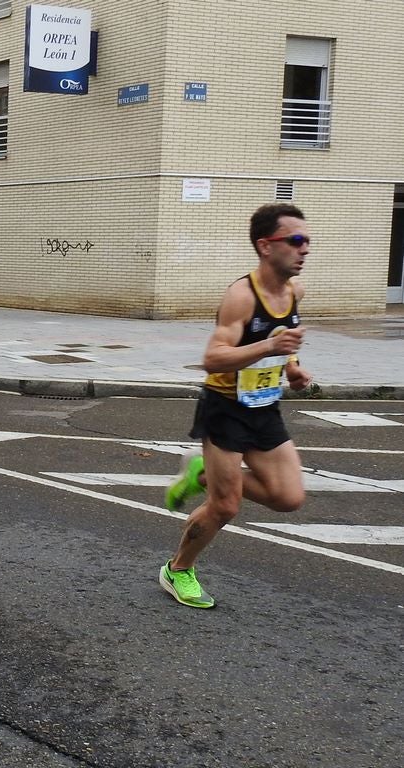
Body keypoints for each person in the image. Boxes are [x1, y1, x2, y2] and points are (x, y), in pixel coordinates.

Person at [160, 202, 314, 609]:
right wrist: (267, 345)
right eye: (296, 241)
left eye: (308, 241)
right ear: (266, 246)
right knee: (226, 506)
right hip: (225, 409)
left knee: (289, 498)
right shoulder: (241, 296)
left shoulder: (295, 291)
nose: (305, 249)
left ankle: (203, 473)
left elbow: (286, 338)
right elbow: (213, 358)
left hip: (264, 407)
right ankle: (178, 570)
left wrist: (294, 368)